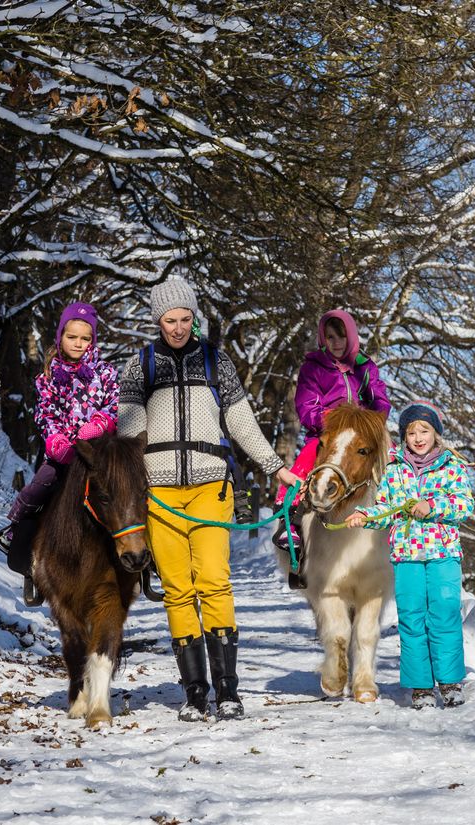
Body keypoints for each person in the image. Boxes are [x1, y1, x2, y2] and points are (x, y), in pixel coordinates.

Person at [117, 276, 302, 722]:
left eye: (185, 318)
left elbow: (241, 422)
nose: (178, 327)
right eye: (169, 319)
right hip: (159, 494)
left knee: (214, 582)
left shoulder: (216, 362)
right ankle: (194, 693)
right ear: (157, 320)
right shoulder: (139, 367)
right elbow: (128, 432)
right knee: (178, 590)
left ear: (193, 317)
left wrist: (275, 466)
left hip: (210, 488)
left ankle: (228, 691)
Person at [345, 401, 473, 709]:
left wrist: (433, 506)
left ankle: (451, 681)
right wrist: (365, 515)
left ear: (435, 434)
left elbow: (465, 505)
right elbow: (386, 510)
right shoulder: (395, 470)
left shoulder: (451, 466)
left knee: (443, 616)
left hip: (443, 554)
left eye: (424, 430)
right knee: (412, 620)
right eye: (411, 432)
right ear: (404, 436)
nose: (418, 437)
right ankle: (421, 687)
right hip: (406, 556)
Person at [0, 302, 119, 606]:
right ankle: (18, 533)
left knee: (125, 489)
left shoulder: (105, 373)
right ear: (60, 335)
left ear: (93, 340)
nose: (78, 343)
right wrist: (55, 440)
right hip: (63, 453)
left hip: (98, 452)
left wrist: (100, 425)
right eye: (72, 337)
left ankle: (141, 551)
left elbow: (114, 406)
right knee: (42, 484)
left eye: (85, 338)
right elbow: (44, 412)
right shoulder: (48, 376)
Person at [274, 310, 391, 582]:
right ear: (323, 339)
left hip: (361, 433)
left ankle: (397, 515)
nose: (336, 343)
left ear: (351, 337)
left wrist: (373, 421)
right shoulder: (314, 367)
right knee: (304, 463)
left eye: (341, 337)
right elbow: (306, 404)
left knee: (392, 461)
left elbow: (380, 398)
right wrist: (330, 420)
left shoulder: (364, 366)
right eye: (330, 337)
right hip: (326, 431)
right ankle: (289, 519)